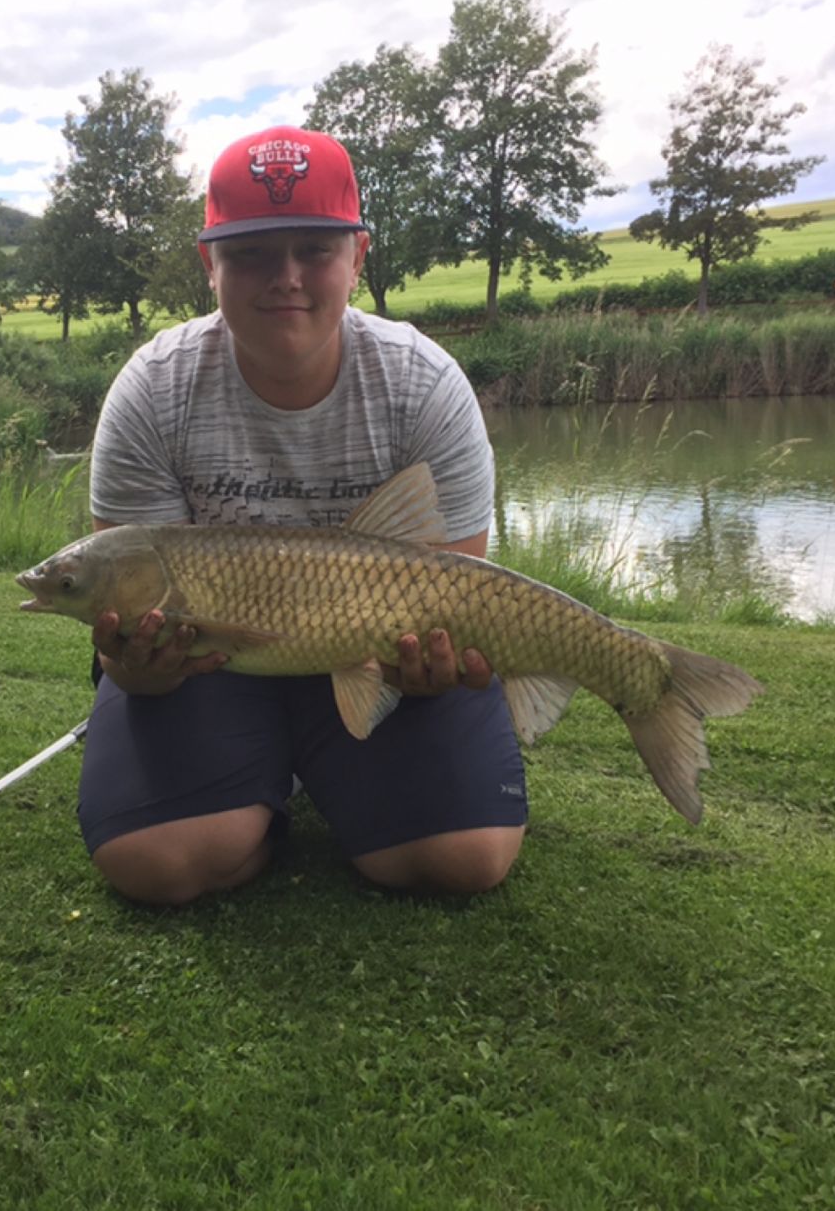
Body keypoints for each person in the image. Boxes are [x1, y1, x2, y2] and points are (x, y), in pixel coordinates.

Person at [77, 125, 526, 904]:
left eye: (314, 249)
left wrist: (429, 673)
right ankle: (265, 788)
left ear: (358, 255)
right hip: (207, 663)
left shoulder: (425, 385)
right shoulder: (151, 390)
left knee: (463, 859)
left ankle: (300, 771)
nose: (285, 277)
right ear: (207, 264)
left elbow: (460, 583)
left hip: (377, 650)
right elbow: (125, 633)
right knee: (162, 864)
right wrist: (133, 669)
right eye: (250, 251)